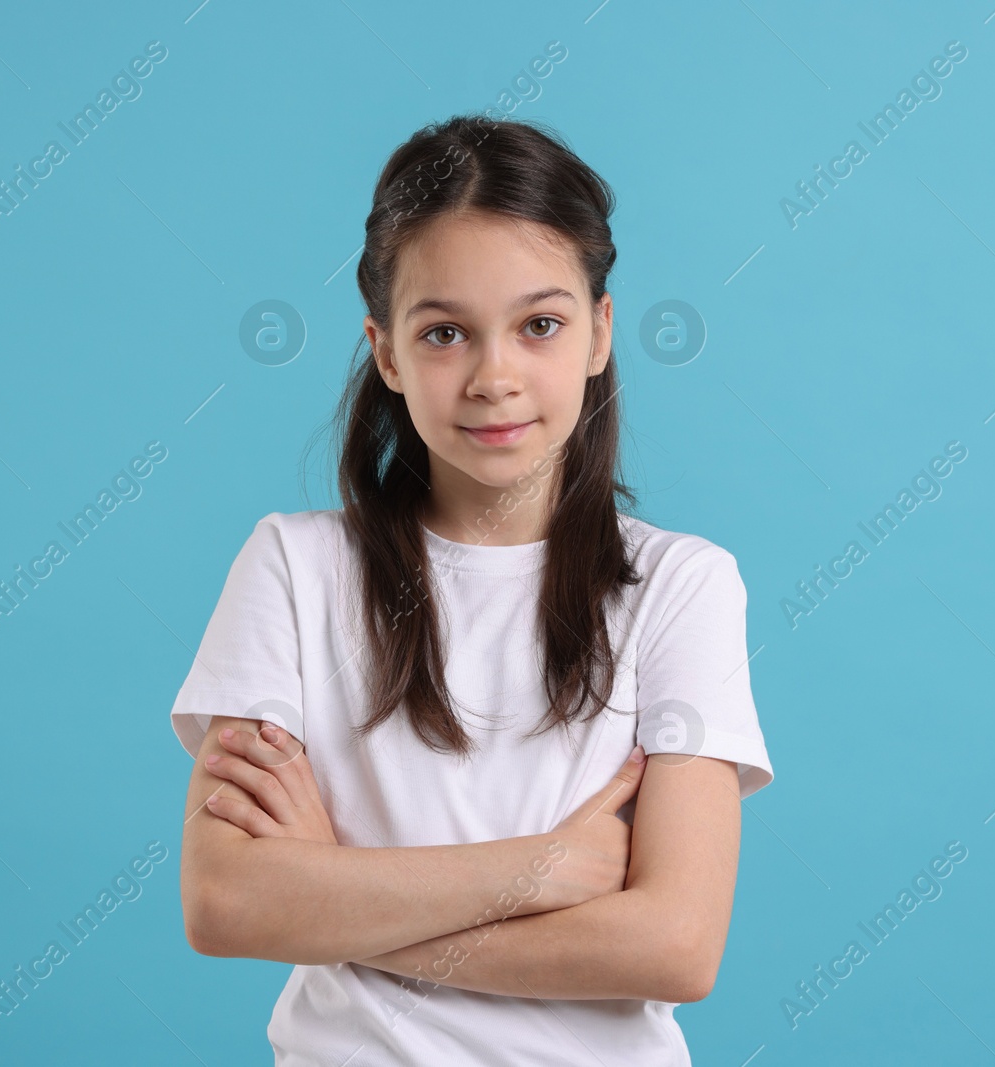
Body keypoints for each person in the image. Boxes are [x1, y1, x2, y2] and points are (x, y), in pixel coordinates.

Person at [170, 113, 774, 1066]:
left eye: (540, 324)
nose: (495, 376)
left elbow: (675, 944)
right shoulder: (292, 568)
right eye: (445, 332)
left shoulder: (680, 585)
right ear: (386, 351)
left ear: (599, 333)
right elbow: (227, 901)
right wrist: (539, 871)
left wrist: (334, 895)